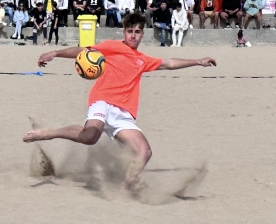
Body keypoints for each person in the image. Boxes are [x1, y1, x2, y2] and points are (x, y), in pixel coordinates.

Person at [23, 12, 217, 191]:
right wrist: (56, 53)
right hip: (102, 101)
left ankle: (125, 187)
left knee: (145, 152)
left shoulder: (143, 59)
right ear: (124, 32)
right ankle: (49, 133)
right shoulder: (112, 46)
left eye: (137, 32)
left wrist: (198, 61)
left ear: (143, 34)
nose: (133, 35)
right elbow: (83, 51)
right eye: (130, 31)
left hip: (124, 114)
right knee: (90, 137)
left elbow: (169, 63)